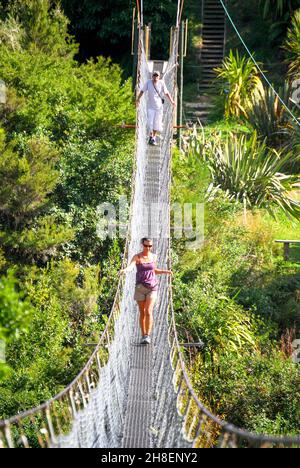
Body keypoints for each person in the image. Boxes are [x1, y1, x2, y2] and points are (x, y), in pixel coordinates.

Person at [121, 238, 173, 345]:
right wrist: (125, 270)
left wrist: (165, 271)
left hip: (152, 287)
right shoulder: (137, 257)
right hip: (140, 288)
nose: (148, 248)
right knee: (142, 312)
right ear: (142, 245)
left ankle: (147, 336)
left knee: (148, 310)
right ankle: (143, 334)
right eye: (146, 246)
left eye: (150, 246)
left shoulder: (154, 256)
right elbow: (131, 267)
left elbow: (153, 270)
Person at [136, 71, 176, 146]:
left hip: (159, 107)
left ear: (159, 77)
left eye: (157, 76)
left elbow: (166, 93)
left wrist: (172, 101)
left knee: (157, 123)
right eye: (154, 76)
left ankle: (153, 138)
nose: (155, 77)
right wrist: (138, 99)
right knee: (149, 123)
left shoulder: (162, 83)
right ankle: (151, 136)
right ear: (152, 76)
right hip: (150, 107)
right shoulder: (148, 82)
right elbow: (142, 91)